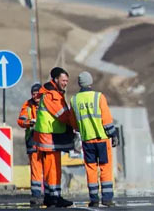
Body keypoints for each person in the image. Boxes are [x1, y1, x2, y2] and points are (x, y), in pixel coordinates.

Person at [71, 72, 120, 208]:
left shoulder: (74, 100)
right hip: (102, 139)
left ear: (80, 84)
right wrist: (113, 135)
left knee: (91, 168)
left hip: (87, 140)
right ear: (90, 82)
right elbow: (106, 119)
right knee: (105, 167)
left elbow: (74, 124)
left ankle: (94, 199)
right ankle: (107, 199)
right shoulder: (99, 97)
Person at [33, 67, 75, 208]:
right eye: (63, 80)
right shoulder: (52, 95)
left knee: (51, 166)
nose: (65, 83)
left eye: (67, 81)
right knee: (53, 167)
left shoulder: (51, 93)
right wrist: (76, 124)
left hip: (49, 135)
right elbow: (62, 115)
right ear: (56, 79)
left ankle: (51, 197)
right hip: (49, 137)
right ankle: (54, 197)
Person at [17, 83, 44, 207]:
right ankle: (36, 195)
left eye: (36, 94)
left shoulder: (47, 103)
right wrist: (29, 122)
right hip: (33, 141)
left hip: (46, 140)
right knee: (36, 169)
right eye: (33, 94)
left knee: (50, 168)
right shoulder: (27, 105)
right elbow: (21, 120)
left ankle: (51, 194)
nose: (35, 96)